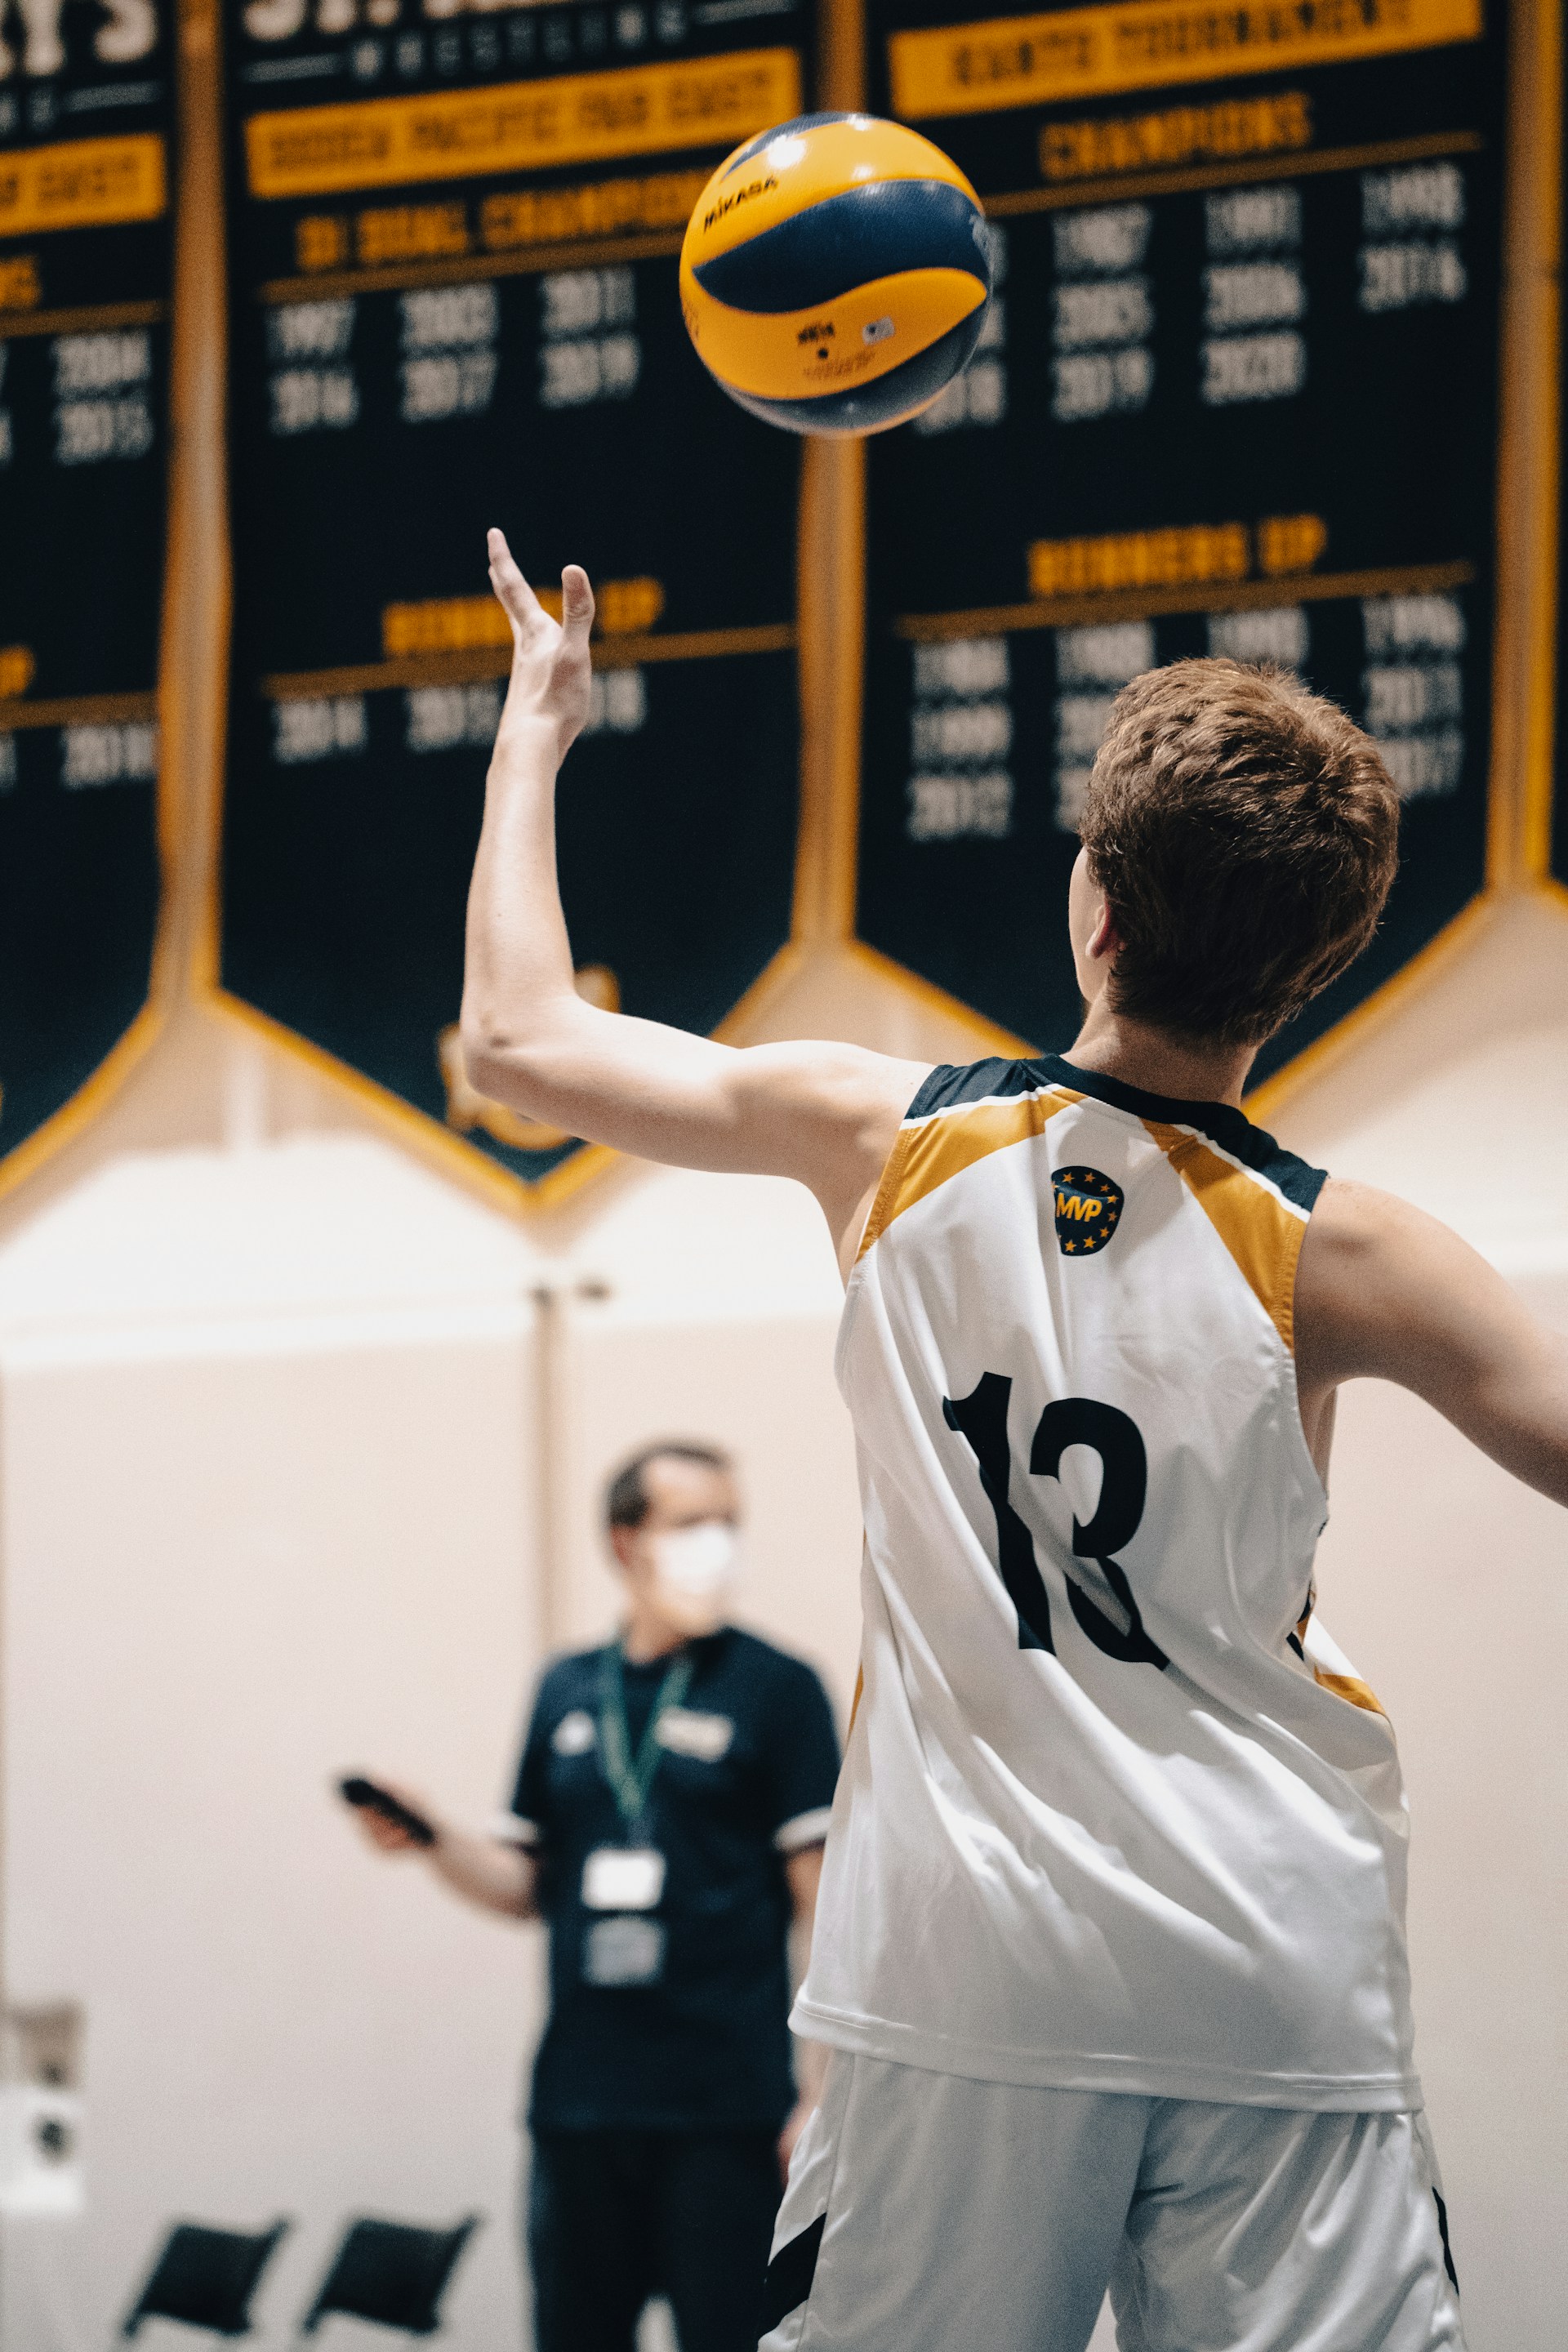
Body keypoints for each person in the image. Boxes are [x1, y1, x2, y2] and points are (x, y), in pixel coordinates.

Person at [457, 533, 1568, 2352]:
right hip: (1270, 1959)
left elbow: (516, 1038)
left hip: (971, 1973)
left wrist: (539, 725)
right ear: (1320, 970)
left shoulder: (884, 1137)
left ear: (1095, 910)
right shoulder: (1354, 1249)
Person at [351, 1438, 840, 2352]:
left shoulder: (778, 1689)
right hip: (580, 2111)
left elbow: (827, 1908)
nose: (719, 1544)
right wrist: (433, 1839)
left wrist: (819, 2094)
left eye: (728, 1523)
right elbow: (527, 1886)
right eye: (691, 1523)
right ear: (626, 1542)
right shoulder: (567, 1689)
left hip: (725, 2115)